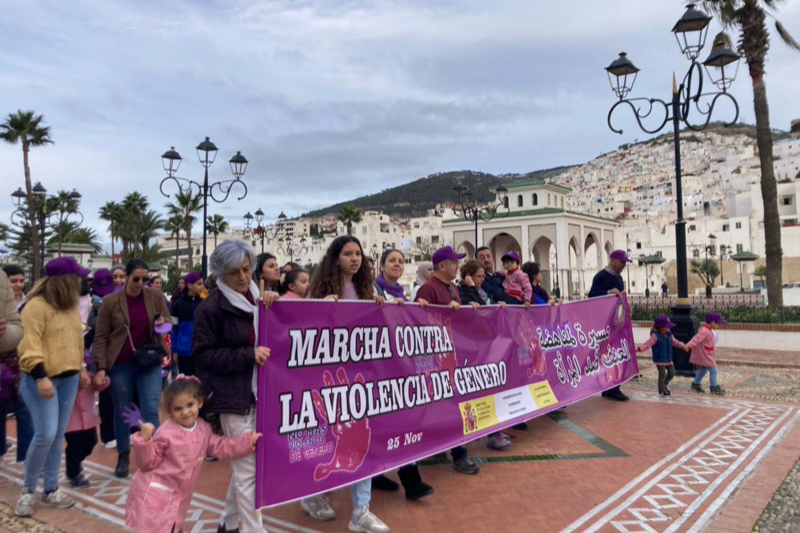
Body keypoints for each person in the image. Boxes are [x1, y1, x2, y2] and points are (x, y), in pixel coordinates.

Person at [300, 236, 390, 533]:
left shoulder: (367, 289)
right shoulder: (319, 290)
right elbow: (303, 328)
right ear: (334, 258)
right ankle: (312, 495)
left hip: (360, 377)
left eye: (358, 253)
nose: (355, 259)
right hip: (329, 380)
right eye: (348, 253)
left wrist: (382, 305)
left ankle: (361, 510)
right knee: (331, 439)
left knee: (361, 437)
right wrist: (318, 308)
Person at [193, 239, 278, 533]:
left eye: (246, 269)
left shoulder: (258, 298)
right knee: (249, 471)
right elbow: (203, 356)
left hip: (262, 394)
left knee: (247, 467)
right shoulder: (211, 308)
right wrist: (247, 355)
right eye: (234, 272)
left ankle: (227, 523)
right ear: (219, 274)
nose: (243, 277)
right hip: (233, 399)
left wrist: (274, 307)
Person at [126, 376, 261, 533]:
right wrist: (144, 440)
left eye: (190, 405)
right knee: (160, 527)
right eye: (178, 408)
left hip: (178, 497)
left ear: (200, 402)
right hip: (156, 496)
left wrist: (247, 441)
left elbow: (220, 446)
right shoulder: (166, 432)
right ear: (170, 411)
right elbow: (147, 462)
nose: (185, 412)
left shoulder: (203, 429)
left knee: (173, 525)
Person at [15, 256, 89, 517]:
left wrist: (81, 367)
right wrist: (40, 375)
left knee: (57, 435)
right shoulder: (35, 307)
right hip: (41, 378)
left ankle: (50, 489)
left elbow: (74, 340)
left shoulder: (70, 306)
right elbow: (28, 344)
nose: (81, 279)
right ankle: (26, 490)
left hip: (68, 378)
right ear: (64, 280)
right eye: (77, 276)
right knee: (45, 434)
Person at [93, 259, 171, 478]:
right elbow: (101, 336)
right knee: (124, 411)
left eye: (144, 279)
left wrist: (162, 324)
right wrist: (100, 366)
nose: (140, 283)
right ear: (126, 277)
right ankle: (124, 454)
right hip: (121, 362)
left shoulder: (155, 296)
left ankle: (156, 455)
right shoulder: (111, 301)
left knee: (150, 409)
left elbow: (167, 325)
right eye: (136, 278)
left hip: (149, 360)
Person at [371, 249, 435, 500]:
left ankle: (384, 477)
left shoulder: (402, 292)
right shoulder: (374, 290)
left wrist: (416, 310)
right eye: (392, 261)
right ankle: (411, 483)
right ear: (382, 265)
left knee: (395, 423)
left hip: (398, 367)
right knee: (392, 423)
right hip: (378, 369)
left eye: (400, 261)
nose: (397, 264)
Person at [415, 246, 481, 475]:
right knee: (450, 407)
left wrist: (467, 308)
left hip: (451, 356)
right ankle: (458, 454)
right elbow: (417, 321)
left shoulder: (452, 287)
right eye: (454, 262)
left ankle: (443, 446)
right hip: (437, 360)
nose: (458, 266)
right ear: (443, 266)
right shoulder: (428, 288)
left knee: (449, 406)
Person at [458, 259, 514, 449]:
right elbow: (473, 307)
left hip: (486, 345)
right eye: (479, 276)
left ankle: (493, 429)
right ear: (469, 276)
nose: (482, 279)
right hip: (471, 348)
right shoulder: (462, 290)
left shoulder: (481, 290)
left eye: (483, 276)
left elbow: (483, 305)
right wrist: (471, 288)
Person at [587, 249, 632, 402]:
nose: (624, 265)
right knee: (609, 354)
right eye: (622, 262)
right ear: (613, 260)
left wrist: (626, 310)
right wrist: (607, 292)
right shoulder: (600, 277)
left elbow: (620, 297)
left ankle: (612, 386)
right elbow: (592, 296)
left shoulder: (619, 278)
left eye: (625, 262)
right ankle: (612, 387)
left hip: (617, 321)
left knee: (616, 353)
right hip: (604, 323)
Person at [0, 267, 32, 464]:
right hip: (2, 365)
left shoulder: (29, 304)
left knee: (25, 410)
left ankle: (27, 457)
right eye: (14, 281)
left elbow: (17, 329)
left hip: (20, 364)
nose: (18, 285)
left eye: (21, 280)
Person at [64, 352, 110, 487]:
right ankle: (74, 472)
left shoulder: (88, 375)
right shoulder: (67, 380)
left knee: (91, 442)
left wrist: (101, 378)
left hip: (89, 419)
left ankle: (76, 462)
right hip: (72, 421)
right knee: (74, 447)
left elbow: (100, 386)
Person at [86, 268, 117, 449]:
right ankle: (107, 434)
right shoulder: (92, 301)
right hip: (101, 354)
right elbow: (92, 328)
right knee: (105, 396)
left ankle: (125, 431)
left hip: (120, 354)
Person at [635, 314, 687, 396]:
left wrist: (684, 346)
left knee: (672, 372)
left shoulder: (670, 335)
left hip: (668, 358)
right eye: (667, 326)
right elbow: (647, 344)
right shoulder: (655, 336)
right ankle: (661, 390)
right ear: (661, 327)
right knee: (662, 374)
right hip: (660, 358)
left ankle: (664, 385)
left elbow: (675, 342)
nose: (669, 328)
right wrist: (639, 349)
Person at [170, 271, 205, 376]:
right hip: (184, 351)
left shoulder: (205, 303)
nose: (202, 287)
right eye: (199, 284)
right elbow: (174, 328)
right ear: (189, 285)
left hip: (202, 350)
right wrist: (175, 350)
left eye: (202, 283)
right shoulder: (177, 305)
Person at [687, 312, 727, 395]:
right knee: (713, 370)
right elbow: (696, 339)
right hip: (706, 355)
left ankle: (696, 384)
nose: (718, 325)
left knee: (703, 370)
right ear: (712, 322)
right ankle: (714, 387)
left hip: (707, 354)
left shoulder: (708, 330)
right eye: (718, 323)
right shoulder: (704, 331)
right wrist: (689, 345)